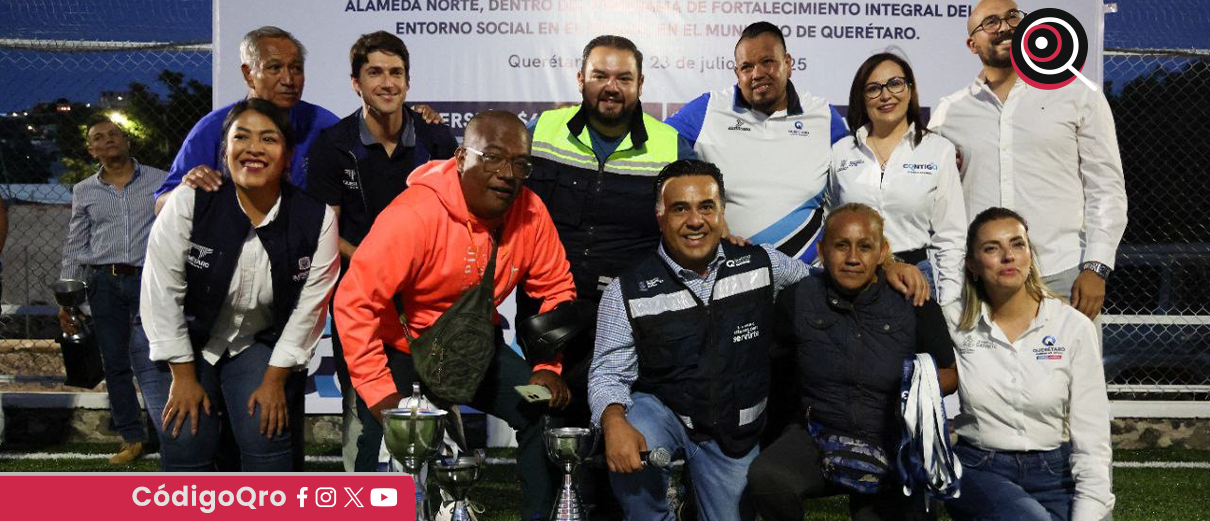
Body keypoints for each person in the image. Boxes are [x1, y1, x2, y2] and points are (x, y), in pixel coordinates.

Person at [590, 163, 929, 521]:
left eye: (706, 207)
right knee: (634, 432)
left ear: (722, 214)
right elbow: (607, 374)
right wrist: (613, 422)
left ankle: (694, 504)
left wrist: (887, 267)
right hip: (666, 413)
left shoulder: (762, 263)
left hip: (732, 435)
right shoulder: (625, 290)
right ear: (660, 217)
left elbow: (831, 279)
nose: (695, 220)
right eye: (680, 209)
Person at [334, 111, 576, 519]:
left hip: (476, 351)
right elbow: (354, 301)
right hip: (403, 353)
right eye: (494, 158)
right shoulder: (414, 215)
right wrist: (380, 394)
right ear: (462, 157)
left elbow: (555, 288)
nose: (507, 173)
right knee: (384, 444)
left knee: (542, 408)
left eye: (520, 163)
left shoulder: (530, 212)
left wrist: (548, 366)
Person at [520, 34, 695, 517]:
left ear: (641, 85)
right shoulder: (541, 130)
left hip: (624, 316)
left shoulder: (670, 143)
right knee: (547, 420)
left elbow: (690, 222)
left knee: (614, 423)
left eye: (623, 77)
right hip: (546, 310)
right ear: (581, 79)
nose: (611, 86)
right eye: (600, 75)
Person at [133, 98, 339, 471]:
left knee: (267, 427)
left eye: (269, 139)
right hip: (178, 337)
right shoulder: (189, 201)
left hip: (252, 338)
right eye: (241, 137)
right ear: (224, 149)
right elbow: (161, 292)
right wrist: (183, 376)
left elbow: (310, 308)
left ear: (289, 154)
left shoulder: (316, 217)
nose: (254, 148)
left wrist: (275, 380)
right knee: (187, 433)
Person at [304, 31, 458, 472]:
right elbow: (325, 229)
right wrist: (381, 267)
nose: (387, 83)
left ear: (408, 82)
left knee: (433, 400)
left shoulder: (436, 141)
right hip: (363, 295)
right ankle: (363, 496)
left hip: (426, 298)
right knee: (364, 407)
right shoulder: (333, 145)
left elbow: (454, 220)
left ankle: (434, 497)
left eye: (396, 73)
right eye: (375, 73)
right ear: (356, 82)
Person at [746, 203, 958, 521]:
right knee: (768, 477)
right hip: (820, 435)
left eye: (865, 246)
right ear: (822, 249)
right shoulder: (798, 299)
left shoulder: (913, 299)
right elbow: (776, 370)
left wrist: (912, 384)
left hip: (892, 442)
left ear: (883, 251)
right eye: (841, 245)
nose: (853, 258)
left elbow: (950, 375)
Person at [929, 0, 1127, 318]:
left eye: (1012, 17)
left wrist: (1096, 266)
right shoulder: (949, 112)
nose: (1006, 27)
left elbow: (1106, 187)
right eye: (990, 22)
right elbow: (932, 196)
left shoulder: (1078, 94)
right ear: (971, 44)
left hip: (1063, 275)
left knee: (1072, 370)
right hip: (982, 283)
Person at [942, 207, 1114, 521]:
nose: (1008, 256)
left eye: (1017, 244)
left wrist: (1090, 509)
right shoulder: (954, 321)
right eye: (991, 248)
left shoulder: (1072, 327)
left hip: (1055, 471)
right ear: (972, 265)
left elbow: (1093, 434)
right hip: (978, 469)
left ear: (1030, 255)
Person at [666, 21, 846, 262]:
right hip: (731, 276)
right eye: (747, 67)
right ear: (737, 73)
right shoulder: (708, 109)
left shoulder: (824, 116)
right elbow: (659, 144)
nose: (757, 74)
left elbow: (855, 183)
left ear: (788, 64)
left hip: (807, 278)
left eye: (767, 62)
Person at [59, 116, 169, 464]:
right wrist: (68, 300)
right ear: (91, 149)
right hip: (102, 284)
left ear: (127, 141)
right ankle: (132, 439)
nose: (107, 141)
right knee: (115, 363)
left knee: (156, 361)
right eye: (98, 138)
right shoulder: (84, 191)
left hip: (148, 279)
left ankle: (169, 435)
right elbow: (76, 244)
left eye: (113, 134)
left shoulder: (161, 180)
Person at [828, 53, 966, 304]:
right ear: (861, 98)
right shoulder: (841, 152)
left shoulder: (938, 150)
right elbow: (830, 223)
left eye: (895, 83)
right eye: (873, 88)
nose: (885, 95)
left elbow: (951, 237)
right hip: (854, 279)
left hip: (917, 283)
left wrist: (949, 303)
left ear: (910, 90)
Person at [155, 26, 339, 210]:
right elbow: (160, 206)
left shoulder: (326, 126)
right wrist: (186, 192)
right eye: (275, 68)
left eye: (296, 68)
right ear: (248, 74)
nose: (288, 80)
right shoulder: (212, 128)